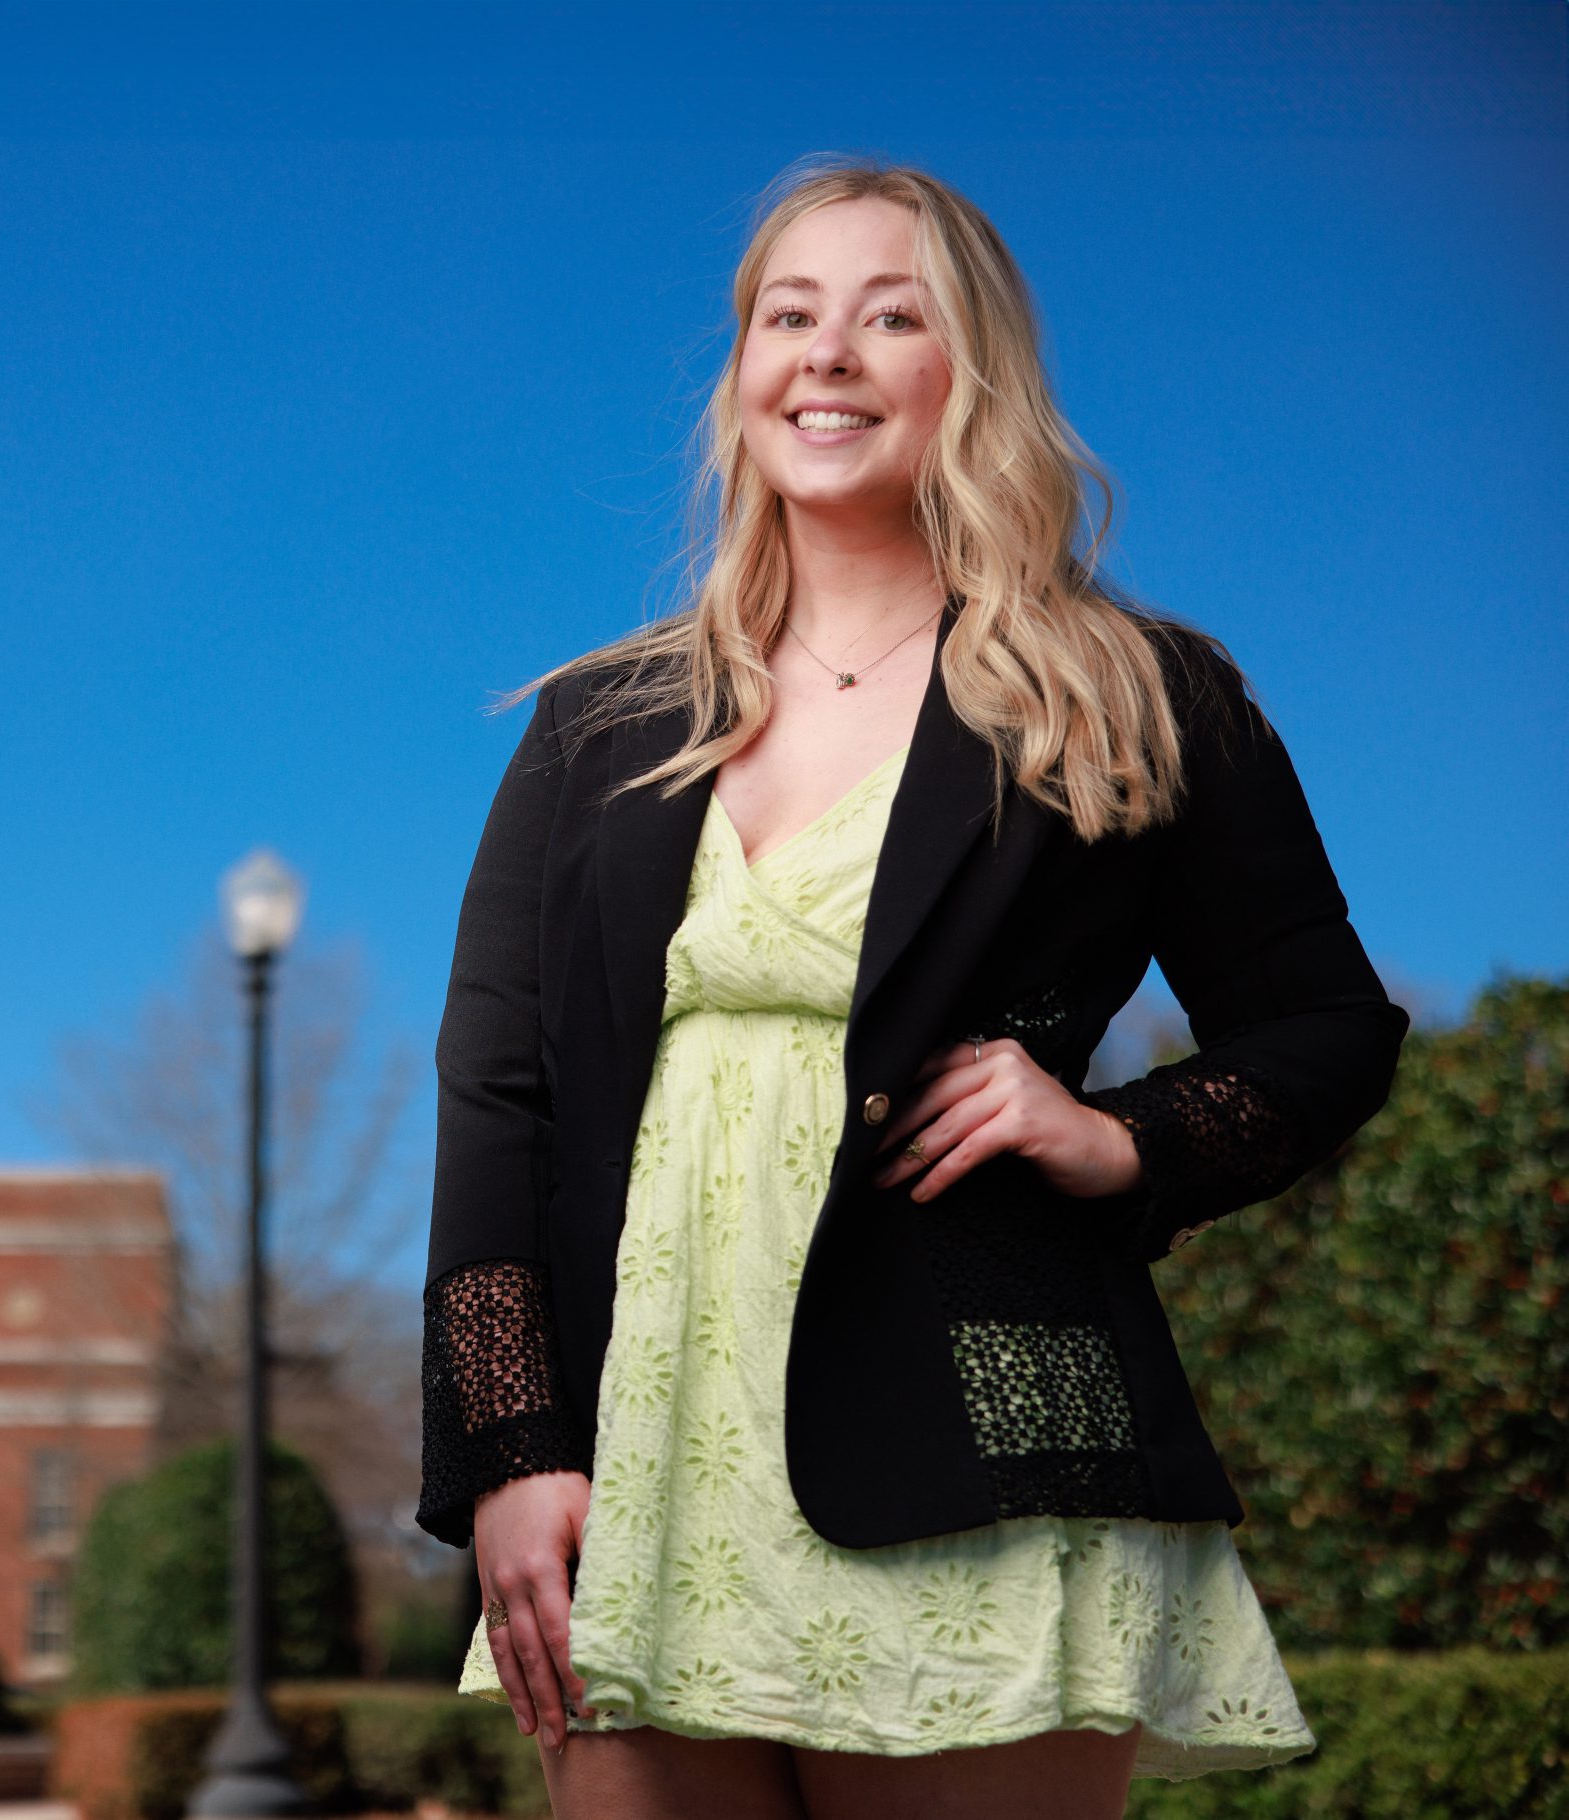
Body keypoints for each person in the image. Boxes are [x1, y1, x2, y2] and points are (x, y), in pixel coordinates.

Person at [416, 155, 1409, 1820]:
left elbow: (1327, 1026)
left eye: (893, 316)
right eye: (788, 316)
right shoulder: (595, 728)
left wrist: (1125, 1141)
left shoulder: (1123, 692)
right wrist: (516, 1450)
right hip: (648, 1474)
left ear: (976, 377)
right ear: (740, 378)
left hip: (994, 1444)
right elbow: (494, 1108)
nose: (829, 353)